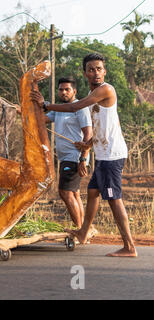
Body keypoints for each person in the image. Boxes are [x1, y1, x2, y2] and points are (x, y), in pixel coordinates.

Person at [34, 53, 137, 257]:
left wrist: (45, 105)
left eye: (99, 69)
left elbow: (73, 107)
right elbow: (98, 128)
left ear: (104, 72)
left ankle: (129, 246)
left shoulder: (105, 90)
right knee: (92, 193)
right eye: (91, 69)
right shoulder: (92, 97)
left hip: (112, 155)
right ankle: (83, 232)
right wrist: (87, 146)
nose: (95, 72)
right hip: (102, 154)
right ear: (85, 73)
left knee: (114, 199)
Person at [31, 76, 93, 229]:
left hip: (74, 157)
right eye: (61, 90)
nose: (64, 92)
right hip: (65, 157)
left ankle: (79, 229)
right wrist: (25, 109)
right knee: (74, 193)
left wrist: (83, 159)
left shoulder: (80, 108)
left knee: (65, 192)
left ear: (74, 91)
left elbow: (88, 135)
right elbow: (41, 119)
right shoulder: (59, 110)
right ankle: (83, 228)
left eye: (67, 89)